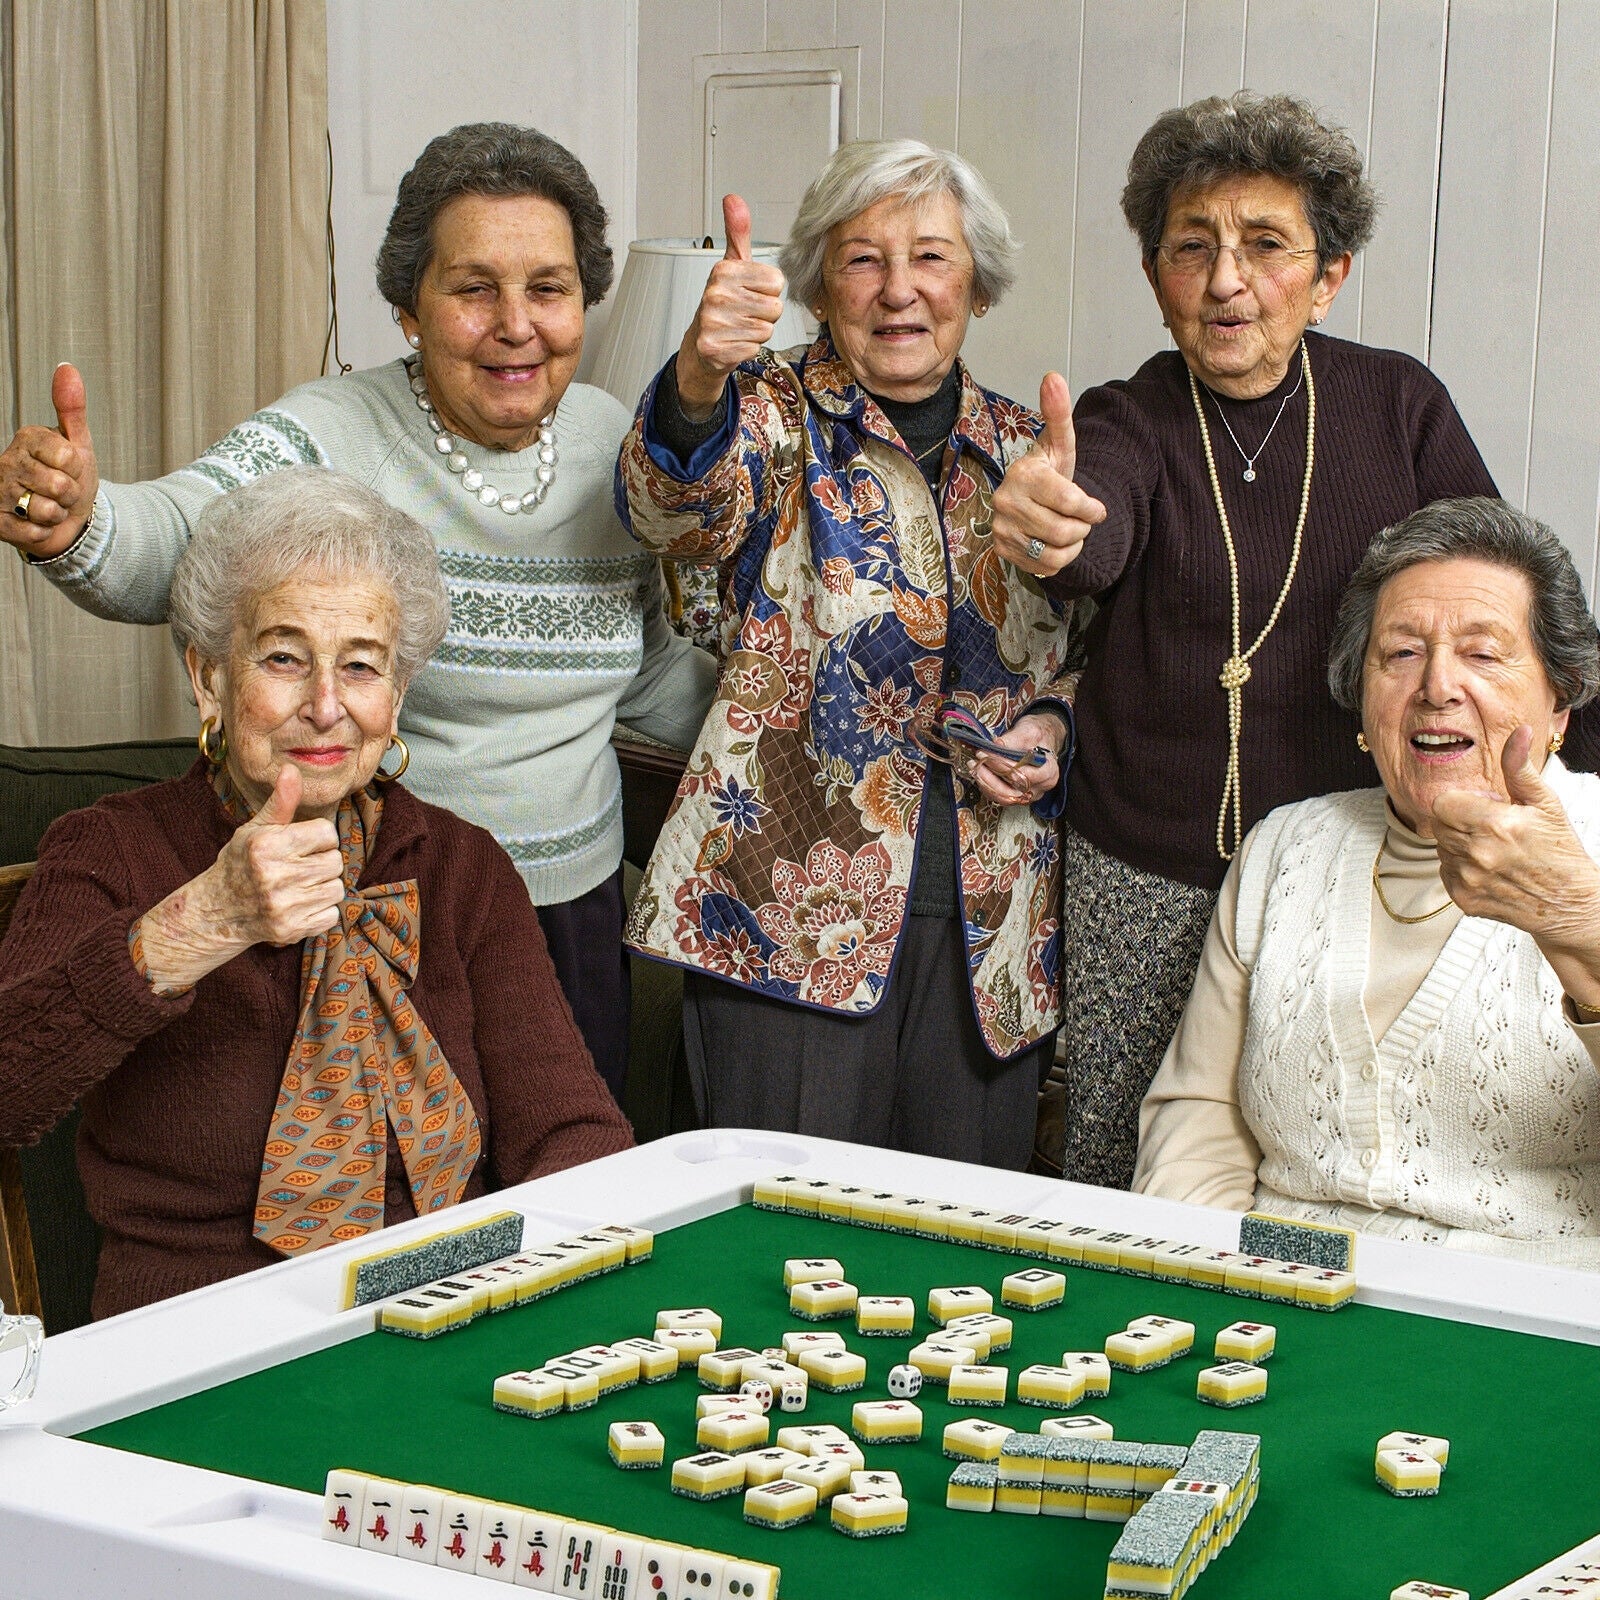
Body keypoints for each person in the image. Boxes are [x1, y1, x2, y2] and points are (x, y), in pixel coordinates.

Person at [0, 122, 716, 1099]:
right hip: (385, 900)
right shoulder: (334, 428)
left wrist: (798, 721)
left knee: (569, 1195)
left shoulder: (612, 442)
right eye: (473, 288)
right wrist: (83, 523)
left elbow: (651, 667)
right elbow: (183, 536)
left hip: (573, 918)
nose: (517, 323)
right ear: (407, 307)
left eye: (547, 288)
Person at [986, 90, 1600, 1188]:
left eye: (1265, 246)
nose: (1225, 280)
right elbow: (1097, 521)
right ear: (1153, 274)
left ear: (1328, 276)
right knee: (1141, 1148)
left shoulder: (1395, 405)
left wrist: (1575, 796)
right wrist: (1055, 522)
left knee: (1353, 1142)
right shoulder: (1129, 415)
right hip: (1150, 869)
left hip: (1349, 862)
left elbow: (1503, 593)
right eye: (1191, 247)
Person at [0, 469, 634, 1318]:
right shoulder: (112, 849)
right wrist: (200, 924)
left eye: (362, 667)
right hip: (205, 1328)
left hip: (456, 1313)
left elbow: (571, 1134)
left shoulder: (460, 867)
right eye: (284, 658)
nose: (327, 706)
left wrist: (555, 1304)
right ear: (209, 680)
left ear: (398, 696)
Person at [615, 140, 1080, 1169]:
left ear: (977, 286)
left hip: (986, 942)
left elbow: (1076, 663)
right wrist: (698, 375)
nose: (899, 290)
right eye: (865, 260)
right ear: (823, 283)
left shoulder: (1024, 451)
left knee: (968, 1258)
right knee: (782, 1255)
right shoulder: (767, 417)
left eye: (931, 258)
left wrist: (1052, 727)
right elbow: (670, 508)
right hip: (778, 928)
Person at [1134, 497, 1600, 1267]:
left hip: (1531, 1320)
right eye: (1402, 653)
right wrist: (1202, 1283)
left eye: (1484, 653)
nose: (1438, 686)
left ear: (1559, 700)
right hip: (1279, 1300)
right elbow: (1199, 1119)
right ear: (1362, 699)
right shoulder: (1286, 847)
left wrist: (1579, 920)